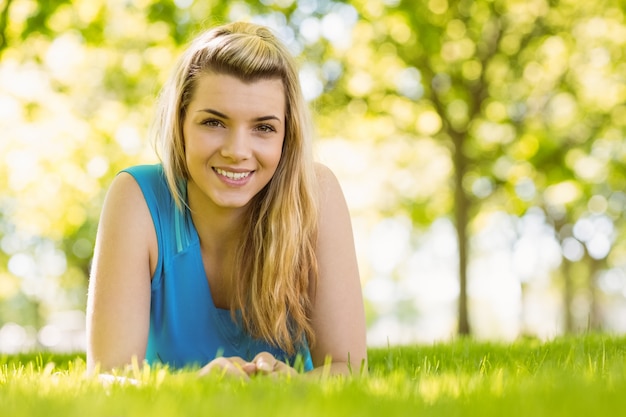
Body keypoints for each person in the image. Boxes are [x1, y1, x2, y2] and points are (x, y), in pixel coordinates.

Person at [85, 21, 367, 378]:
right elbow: (108, 377)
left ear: (287, 135)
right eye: (214, 123)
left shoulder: (316, 194)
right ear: (181, 123)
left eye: (263, 128)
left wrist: (296, 387)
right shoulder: (137, 198)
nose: (237, 151)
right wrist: (194, 389)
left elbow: (349, 369)